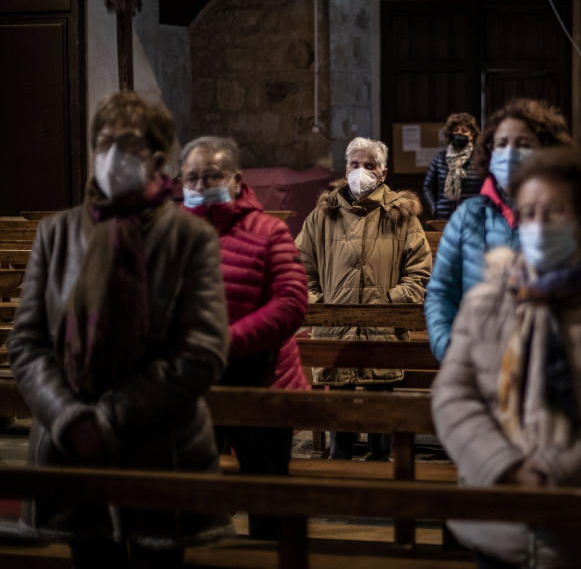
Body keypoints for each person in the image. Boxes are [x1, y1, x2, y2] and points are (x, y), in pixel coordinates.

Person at [6, 91, 232, 567]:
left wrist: (109, 419)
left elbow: (203, 349)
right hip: (71, 454)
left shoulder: (188, 238)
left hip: (162, 451)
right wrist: (69, 418)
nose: (111, 156)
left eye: (126, 144)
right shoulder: (57, 233)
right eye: (103, 142)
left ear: (156, 158)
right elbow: (27, 343)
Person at [432, 149, 581, 568]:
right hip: (499, 523)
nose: (537, 226)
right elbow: (452, 396)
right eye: (528, 213)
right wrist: (504, 466)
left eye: (553, 212)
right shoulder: (487, 303)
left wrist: (554, 473)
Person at [179, 136, 309, 538]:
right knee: (192, 496)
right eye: (192, 178)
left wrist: (223, 341)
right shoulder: (173, 232)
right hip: (193, 382)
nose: (201, 187)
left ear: (235, 180)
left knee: (266, 495)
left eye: (211, 176)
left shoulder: (268, 231)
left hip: (262, 380)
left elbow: (290, 304)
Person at [296, 137, 432, 460]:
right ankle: (340, 464)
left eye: (369, 165)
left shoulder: (401, 216)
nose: (361, 171)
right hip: (334, 330)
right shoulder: (322, 215)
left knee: (380, 408)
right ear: (345, 170)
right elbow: (300, 268)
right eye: (354, 164)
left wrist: (388, 303)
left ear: (383, 173)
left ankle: (380, 465)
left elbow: (419, 272)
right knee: (339, 410)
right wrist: (321, 307)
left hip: (383, 329)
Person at [425, 99, 576, 361]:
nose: (510, 154)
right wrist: (451, 351)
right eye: (502, 144)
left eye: (524, 144)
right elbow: (440, 293)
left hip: (551, 372)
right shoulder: (466, 218)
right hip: (477, 365)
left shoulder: (575, 219)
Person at [422, 112, 484, 219]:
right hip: (444, 217)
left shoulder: (480, 159)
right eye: (456, 130)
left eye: (464, 131)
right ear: (450, 134)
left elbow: (488, 187)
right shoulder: (440, 158)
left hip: (473, 217)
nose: (459, 133)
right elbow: (427, 187)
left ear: (471, 135)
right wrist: (434, 208)